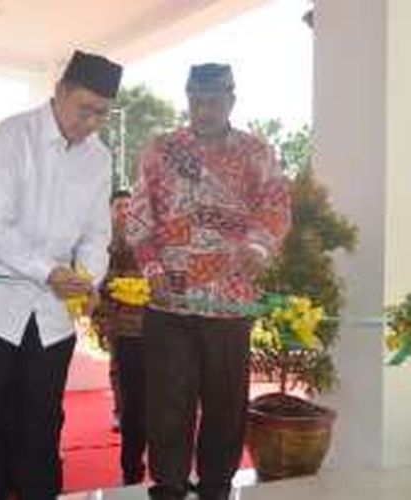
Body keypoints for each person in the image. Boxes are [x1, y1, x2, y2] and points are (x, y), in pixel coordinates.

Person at [0, 50, 122, 499]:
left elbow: (95, 234)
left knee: (42, 425)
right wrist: (49, 272)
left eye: (102, 114)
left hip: (50, 315)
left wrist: (87, 280)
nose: (90, 122)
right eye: (85, 108)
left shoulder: (99, 159)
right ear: (60, 91)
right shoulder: (13, 134)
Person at [127, 63, 291, 500]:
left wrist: (258, 247)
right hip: (169, 303)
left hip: (229, 303)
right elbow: (139, 220)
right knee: (168, 405)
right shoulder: (161, 150)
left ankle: (217, 487)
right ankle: (169, 485)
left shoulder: (257, 152)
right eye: (196, 100)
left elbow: (275, 209)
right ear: (187, 99)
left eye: (214, 100)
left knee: (225, 406)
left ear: (231, 101)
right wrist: (153, 271)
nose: (204, 109)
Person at [92, 188, 146, 486]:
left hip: (171, 335)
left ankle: (170, 473)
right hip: (128, 331)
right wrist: (103, 323)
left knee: (168, 405)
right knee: (134, 404)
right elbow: (102, 283)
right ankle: (132, 470)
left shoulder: (171, 235)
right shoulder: (115, 239)